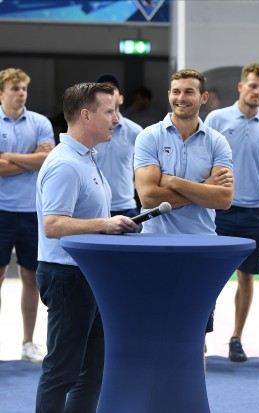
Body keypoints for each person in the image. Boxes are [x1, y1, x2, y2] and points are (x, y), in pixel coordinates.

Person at [35, 82, 138, 412]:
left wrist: (110, 226)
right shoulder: (65, 164)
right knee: (62, 372)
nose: (117, 119)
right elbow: (53, 225)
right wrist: (105, 224)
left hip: (89, 276)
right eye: (110, 112)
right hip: (68, 277)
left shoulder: (86, 158)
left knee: (92, 373)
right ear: (85, 115)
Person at [134, 69, 234, 343]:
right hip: (156, 246)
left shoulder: (217, 142)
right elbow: (149, 198)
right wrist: (205, 186)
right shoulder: (149, 137)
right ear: (169, 96)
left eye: (189, 92)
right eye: (176, 91)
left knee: (195, 337)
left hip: (201, 249)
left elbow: (223, 199)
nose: (181, 98)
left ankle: (190, 388)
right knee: (154, 332)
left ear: (203, 97)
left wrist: (174, 182)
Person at [205, 63, 259, 362]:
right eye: (252, 86)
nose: (257, 91)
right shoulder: (216, 118)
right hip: (220, 210)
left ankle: (236, 337)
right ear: (241, 87)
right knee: (209, 278)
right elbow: (202, 160)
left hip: (255, 214)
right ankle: (201, 334)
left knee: (247, 277)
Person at [0, 67, 54, 363]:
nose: (21, 93)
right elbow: (37, 160)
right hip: (0, 210)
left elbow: (47, 160)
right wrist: (30, 160)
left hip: (32, 211)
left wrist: (9, 157)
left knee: (30, 277)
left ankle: (27, 342)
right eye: (15, 88)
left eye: (23, 88)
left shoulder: (40, 122)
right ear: (2, 93)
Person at [94, 73, 143, 218]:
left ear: (121, 98)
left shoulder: (135, 131)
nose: (107, 92)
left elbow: (147, 167)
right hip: (95, 208)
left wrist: (133, 186)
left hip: (126, 208)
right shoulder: (89, 130)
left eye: (111, 89)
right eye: (103, 90)